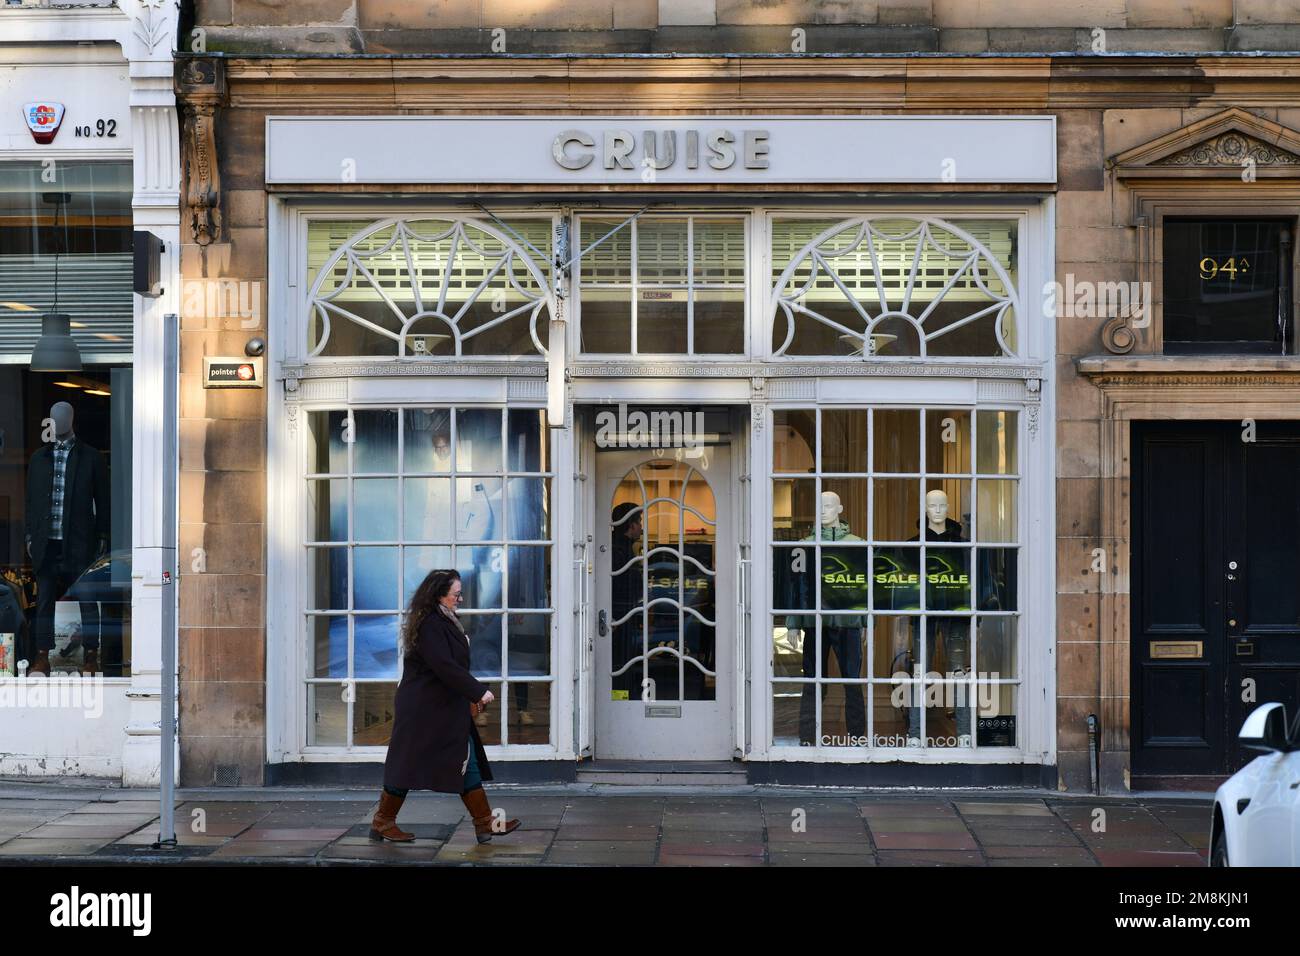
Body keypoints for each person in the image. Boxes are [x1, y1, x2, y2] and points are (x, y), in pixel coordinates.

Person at [371, 568, 521, 844]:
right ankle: (382, 821)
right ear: (439, 595)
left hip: (441, 706)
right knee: (408, 764)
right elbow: (444, 666)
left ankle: (485, 822)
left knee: (465, 758)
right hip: (424, 709)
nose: (460, 599)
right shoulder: (431, 624)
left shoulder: (443, 620)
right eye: (456, 594)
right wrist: (478, 691)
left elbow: (449, 666)